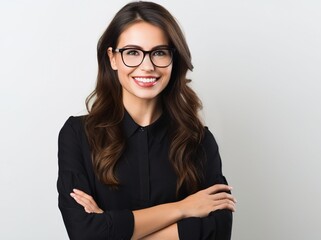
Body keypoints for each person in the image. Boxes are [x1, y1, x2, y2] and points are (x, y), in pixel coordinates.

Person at [57, 1, 236, 239]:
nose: (147, 66)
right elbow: (84, 233)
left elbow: (217, 231)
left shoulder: (198, 141)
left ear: (174, 59)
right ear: (112, 58)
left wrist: (112, 230)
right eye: (132, 52)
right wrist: (183, 208)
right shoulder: (77, 134)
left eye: (159, 52)